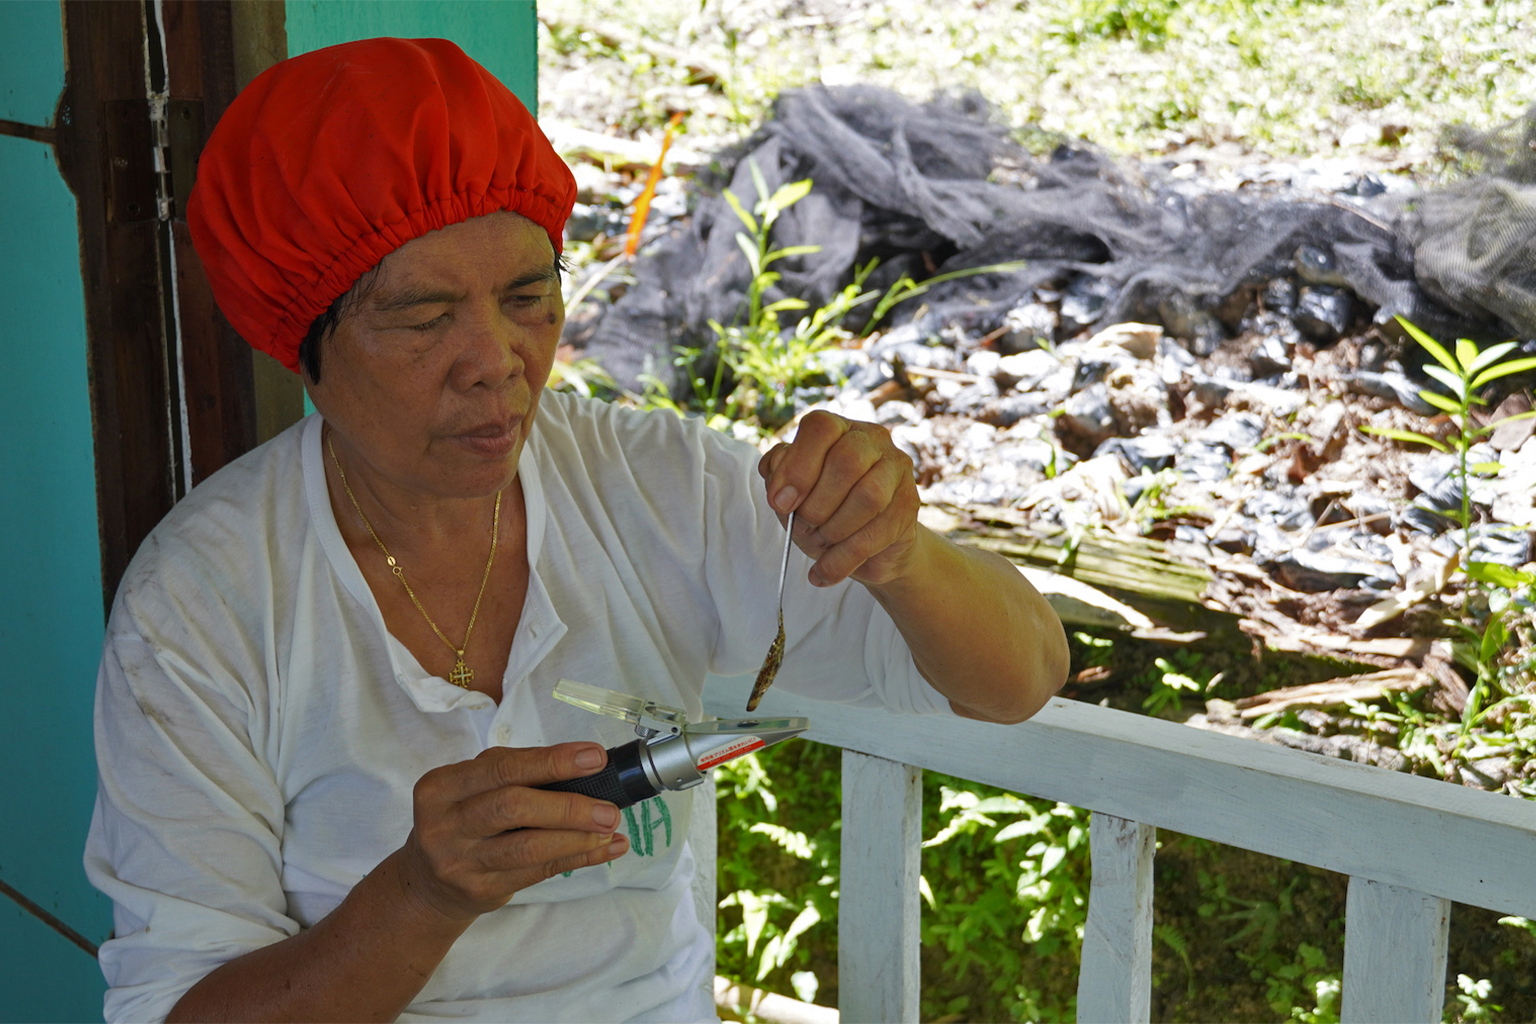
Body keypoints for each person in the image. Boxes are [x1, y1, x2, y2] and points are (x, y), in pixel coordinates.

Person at [84, 37, 1068, 1024]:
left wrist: (903, 553)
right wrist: (421, 896)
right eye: (425, 317)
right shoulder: (207, 600)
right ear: (304, 345)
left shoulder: (650, 488)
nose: (496, 361)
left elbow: (1021, 676)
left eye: (527, 299)